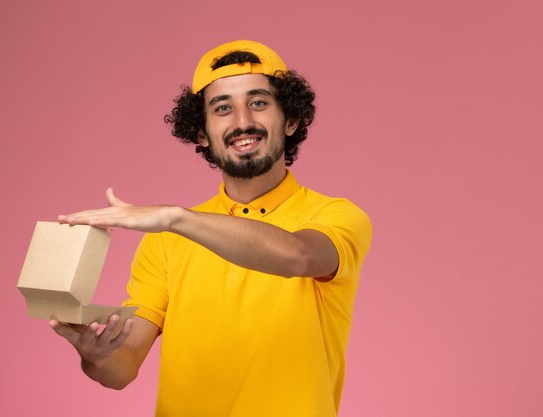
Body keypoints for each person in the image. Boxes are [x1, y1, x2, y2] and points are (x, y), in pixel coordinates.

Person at [52, 40, 372, 417]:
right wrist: (96, 356)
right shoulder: (167, 242)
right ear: (201, 134)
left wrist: (175, 218)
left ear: (291, 119)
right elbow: (123, 368)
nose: (242, 122)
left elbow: (296, 256)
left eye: (258, 102)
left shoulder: (337, 216)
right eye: (222, 108)